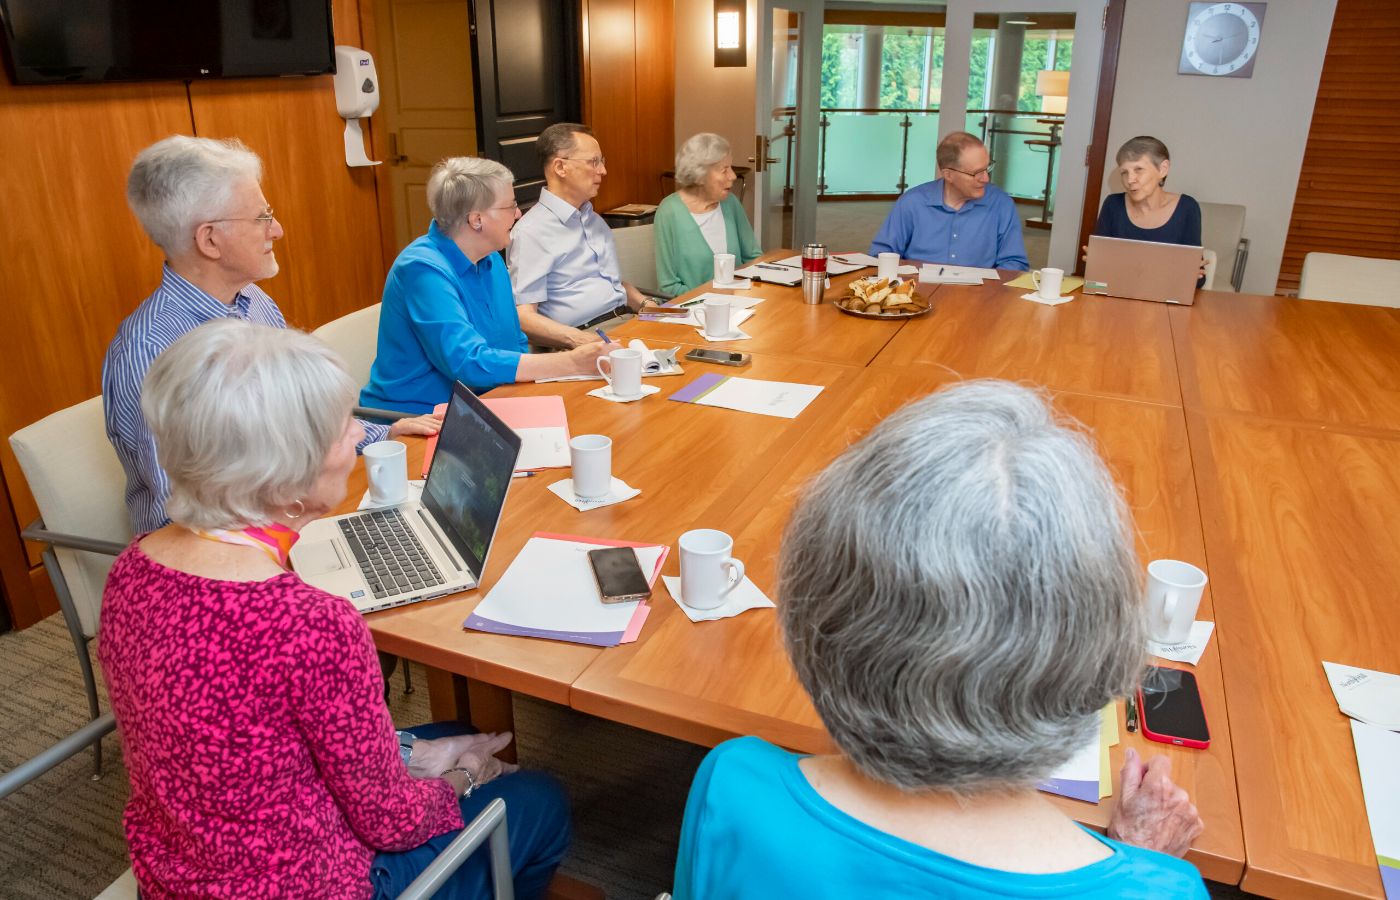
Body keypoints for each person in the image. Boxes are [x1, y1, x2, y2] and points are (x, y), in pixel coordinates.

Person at [674, 379, 1207, 899]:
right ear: (1095, 647)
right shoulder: (1165, 889)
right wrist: (1143, 862)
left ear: (811, 613)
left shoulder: (732, 783)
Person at [98, 319, 570, 899]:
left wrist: (414, 753)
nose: (357, 437)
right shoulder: (309, 623)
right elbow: (394, 824)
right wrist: (463, 777)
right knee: (541, 800)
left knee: (455, 731)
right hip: (309, 885)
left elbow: (246, 728)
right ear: (285, 476)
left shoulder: (133, 567)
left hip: (177, 871)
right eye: (342, 428)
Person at [104, 135, 441, 534]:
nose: (277, 230)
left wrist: (383, 432)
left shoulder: (254, 301)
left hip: (285, 510)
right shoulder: (151, 350)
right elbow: (187, 512)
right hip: (224, 546)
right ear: (209, 239)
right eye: (262, 217)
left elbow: (298, 419)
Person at [359, 156, 613, 413]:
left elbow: (514, 342)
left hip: (486, 402)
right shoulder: (421, 269)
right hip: (418, 416)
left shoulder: (490, 257)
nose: (518, 214)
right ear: (476, 220)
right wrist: (571, 362)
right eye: (510, 206)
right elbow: (466, 361)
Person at [507, 123, 655, 347]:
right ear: (560, 167)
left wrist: (648, 305)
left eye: (602, 161)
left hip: (627, 322)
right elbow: (523, 317)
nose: (603, 171)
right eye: (593, 162)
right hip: (583, 337)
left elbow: (610, 283)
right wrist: (585, 342)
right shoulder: (531, 232)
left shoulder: (594, 220)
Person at [869, 131, 1029, 271]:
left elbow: (1014, 263)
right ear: (948, 175)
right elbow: (881, 255)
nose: (986, 178)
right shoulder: (912, 203)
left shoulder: (1001, 204)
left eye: (987, 168)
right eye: (976, 173)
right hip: (917, 290)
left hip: (979, 293)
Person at [654, 132, 761, 297]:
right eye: (724, 170)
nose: (733, 176)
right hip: (693, 307)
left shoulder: (731, 203)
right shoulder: (669, 212)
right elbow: (668, 286)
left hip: (740, 301)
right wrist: (712, 298)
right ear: (700, 175)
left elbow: (754, 258)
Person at [1093, 136, 1206, 286]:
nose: (1130, 180)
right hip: (1118, 293)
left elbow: (1198, 280)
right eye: (1124, 172)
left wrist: (1191, 274)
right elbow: (1097, 277)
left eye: (1138, 169)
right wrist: (1095, 263)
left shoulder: (1187, 208)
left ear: (1163, 169)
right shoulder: (1112, 205)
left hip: (1165, 297)